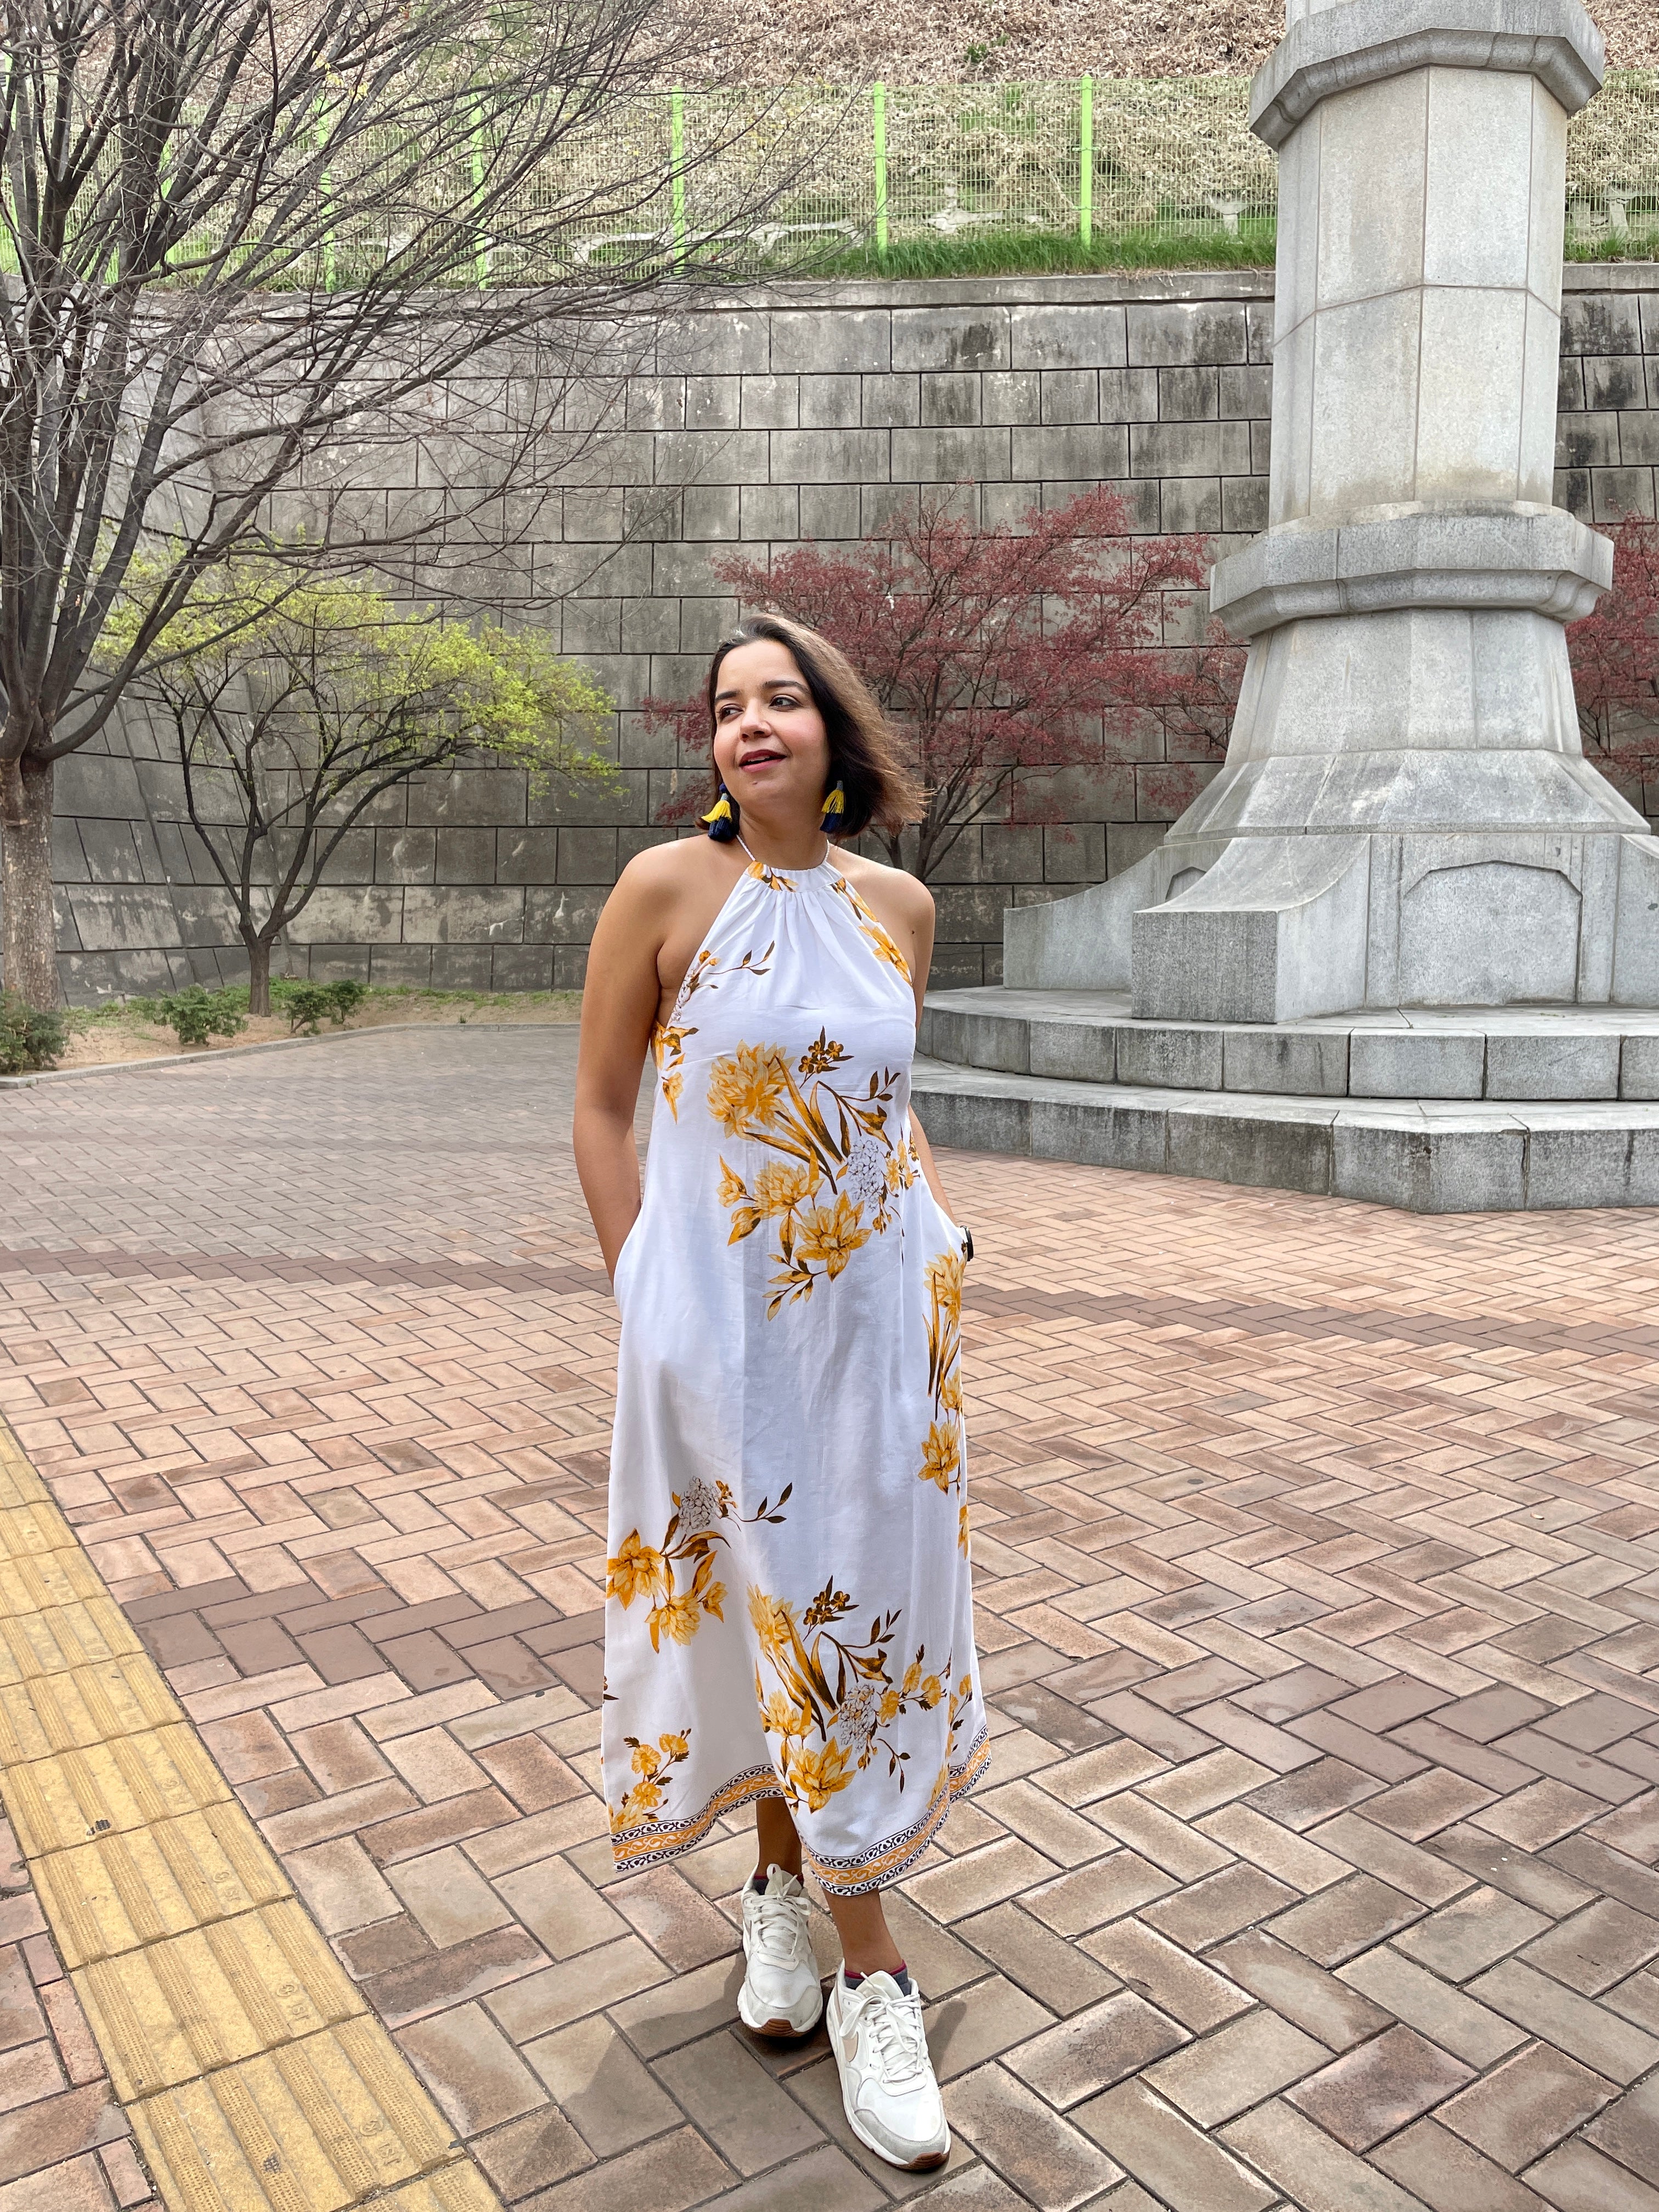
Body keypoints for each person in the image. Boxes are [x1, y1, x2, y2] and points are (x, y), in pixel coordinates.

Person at [573, 613, 988, 2172]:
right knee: (783, 1608)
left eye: (780, 700)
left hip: (882, 1331)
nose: (749, 724)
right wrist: (645, 1299)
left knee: (832, 1602)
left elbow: (889, 1107)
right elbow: (604, 1110)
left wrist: (941, 1244)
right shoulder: (668, 891)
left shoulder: (900, 907)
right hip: (722, 1338)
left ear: (833, 731)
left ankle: (783, 1900)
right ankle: (871, 1960)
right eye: (725, 707)